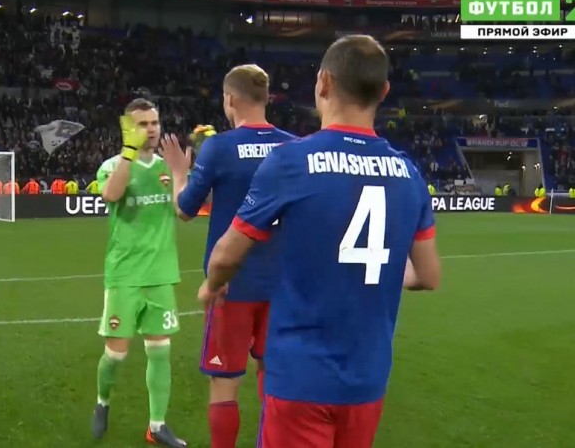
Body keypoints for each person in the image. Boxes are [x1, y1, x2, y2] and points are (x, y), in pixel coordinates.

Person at [201, 35, 442, 448]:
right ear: (384, 91)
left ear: (324, 82)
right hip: (367, 380)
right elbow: (429, 275)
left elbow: (225, 255)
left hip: (301, 377)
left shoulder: (292, 160)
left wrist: (213, 284)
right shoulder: (408, 172)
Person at [160, 64, 297, 448]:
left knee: (224, 383)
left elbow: (185, 209)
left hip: (230, 283)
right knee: (275, 378)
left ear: (230, 99)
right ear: (266, 98)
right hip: (282, 285)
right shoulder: (294, 147)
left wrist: (179, 173)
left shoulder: (220, 147)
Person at [90, 98, 187, 447]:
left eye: (154, 123)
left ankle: (157, 425)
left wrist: (180, 173)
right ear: (128, 128)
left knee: (160, 350)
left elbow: (182, 211)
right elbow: (111, 194)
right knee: (115, 354)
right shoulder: (112, 166)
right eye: (143, 124)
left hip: (161, 273)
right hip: (125, 275)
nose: (151, 129)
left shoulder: (166, 167)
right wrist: (129, 154)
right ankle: (102, 402)